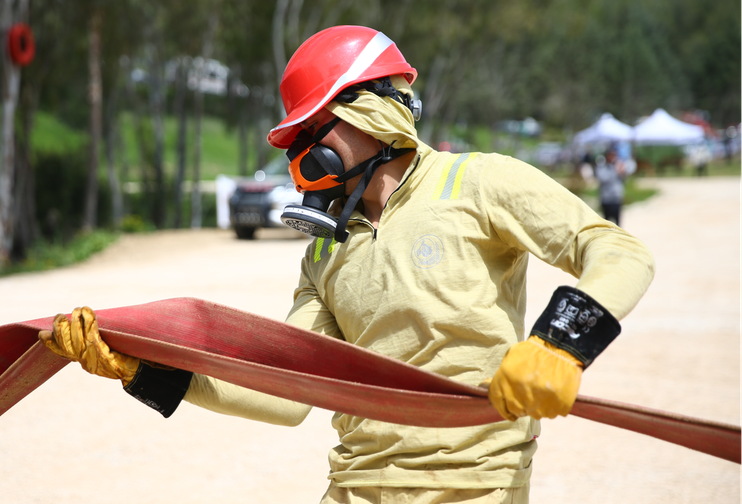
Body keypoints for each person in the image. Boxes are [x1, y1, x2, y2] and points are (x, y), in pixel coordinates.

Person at [40, 26, 655, 504]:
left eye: (313, 130)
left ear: (371, 112)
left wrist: (560, 343)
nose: (303, 154)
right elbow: (287, 394)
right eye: (295, 139)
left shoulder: (477, 183)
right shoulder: (326, 251)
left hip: (473, 487)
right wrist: (149, 370)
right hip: (355, 489)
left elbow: (617, 251)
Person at [594, 147, 636, 225]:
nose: (613, 157)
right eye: (611, 155)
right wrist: (615, 171)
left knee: (618, 222)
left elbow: (625, 180)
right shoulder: (602, 166)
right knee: (607, 222)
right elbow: (603, 178)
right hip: (606, 198)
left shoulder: (618, 165)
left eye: (615, 155)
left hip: (617, 197)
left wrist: (623, 172)